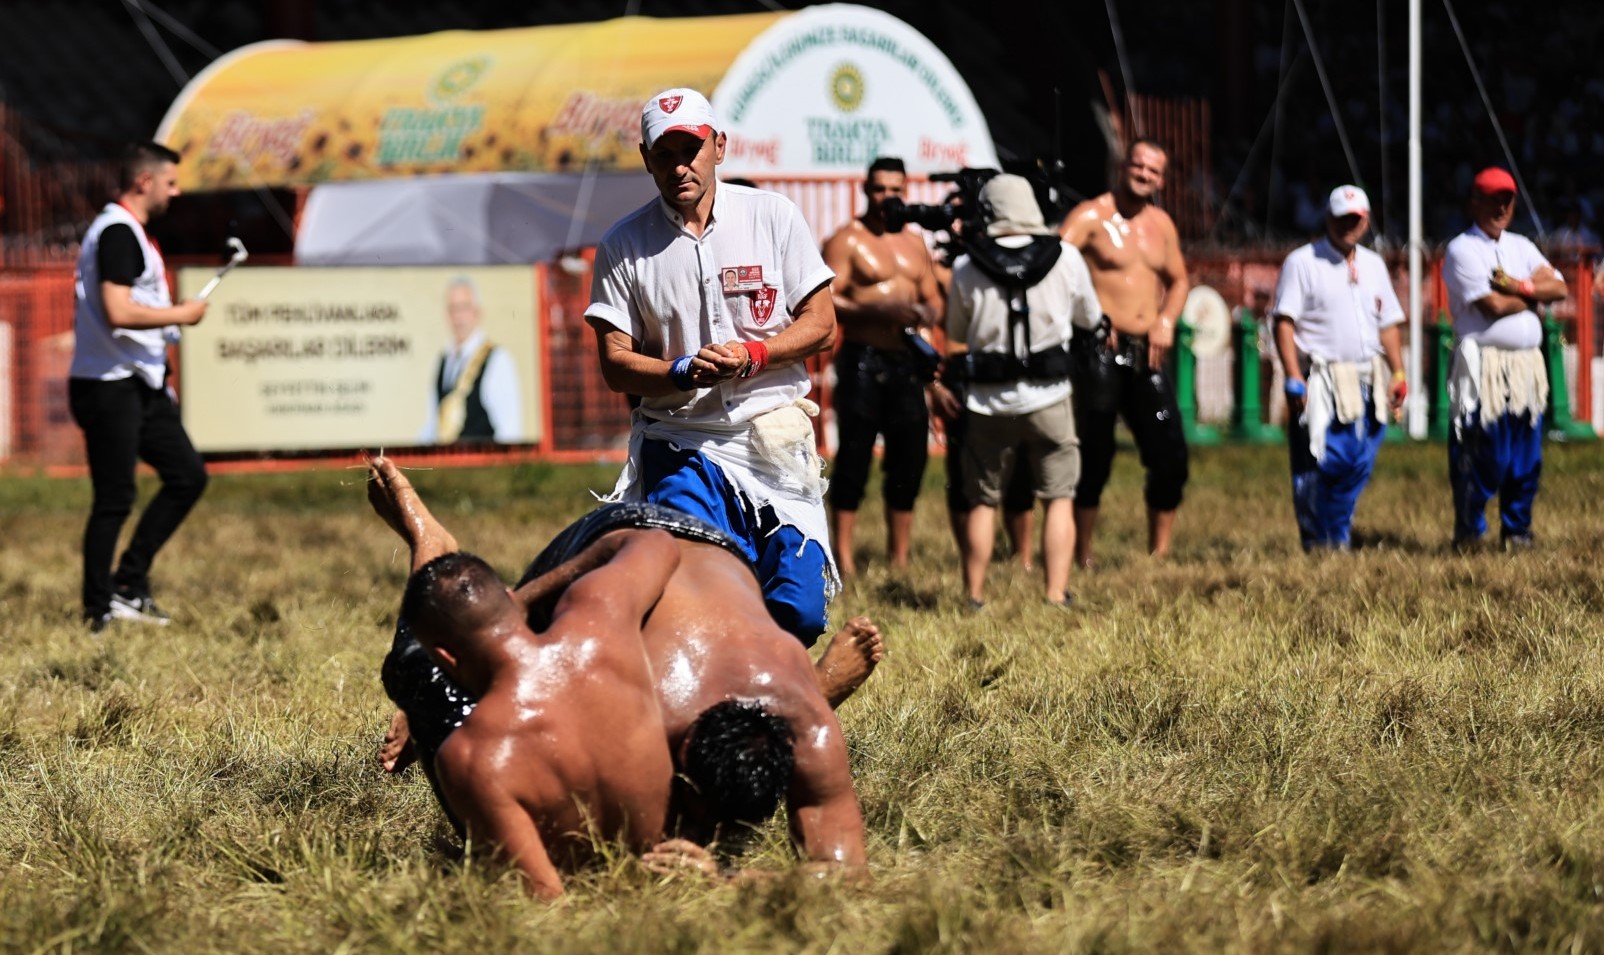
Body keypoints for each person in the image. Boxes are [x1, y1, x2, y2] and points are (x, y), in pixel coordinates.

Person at [367, 458, 878, 893]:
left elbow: (847, 874)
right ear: (677, 746)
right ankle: (430, 540)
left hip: (715, 561)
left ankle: (821, 682)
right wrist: (467, 657)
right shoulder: (630, 679)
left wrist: (727, 877)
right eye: (696, 812)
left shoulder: (810, 728)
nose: (700, 831)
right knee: (434, 694)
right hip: (616, 542)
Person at [585, 87, 839, 643]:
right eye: (665, 154)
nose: (681, 166)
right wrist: (680, 372)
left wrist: (755, 354)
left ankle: (764, 693)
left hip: (772, 436)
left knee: (800, 612)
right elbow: (615, 362)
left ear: (719, 146)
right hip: (681, 441)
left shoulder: (771, 215)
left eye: (692, 148)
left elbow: (822, 321)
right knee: (700, 598)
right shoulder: (623, 245)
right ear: (647, 159)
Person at [939, 174, 1100, 607]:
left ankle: (973, 594)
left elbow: (955, 330)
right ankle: (1055, 593)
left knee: (982, 500)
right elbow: (1089, 318)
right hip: (1050, 395)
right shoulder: (1066, 256)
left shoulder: (965, 265)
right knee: (1059, 496)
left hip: (987, 401)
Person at [68, 141, 209, 633]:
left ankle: (128, 584)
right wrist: (182, 315)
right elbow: (119, 310)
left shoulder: (131, 233)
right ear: (144, 182)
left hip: (141, 384)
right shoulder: (118, 233)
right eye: (170, 181)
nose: (177, 190)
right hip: (109, 386)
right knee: (114, 497)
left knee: (187, 475)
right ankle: (98, 609)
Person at [1059, 138, 1191, 567]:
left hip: (1145, 353)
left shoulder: (1161, 225)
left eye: (1153, 171)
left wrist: (1166, 320)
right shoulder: (1091, 216)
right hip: (1098, 350)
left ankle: (1161, 552)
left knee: (1169, 450)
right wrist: (1091, 315)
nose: (1144, 175)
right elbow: (1056, 264)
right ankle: (1082, 553)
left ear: (1161, 179)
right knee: (1095, 452)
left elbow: (1179, 280)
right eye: (1138, 166)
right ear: (1123, 166)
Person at [820, 156, 944, 576]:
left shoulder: (914, 242)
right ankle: (845, 558)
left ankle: (900, 557)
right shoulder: (847, 239)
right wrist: (877, 307)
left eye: (896, 189)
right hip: (862, 359)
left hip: (906, 360)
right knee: (854, 457)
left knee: (909, 458)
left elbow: (933, 297)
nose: (887, 197)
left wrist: (927, 313)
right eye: (880, 189)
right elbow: (825, 297)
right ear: (866, 189)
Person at [1271, 185, 1408, 551]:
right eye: (1342, 218)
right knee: (1322, 460)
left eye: (1356, 219)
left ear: (1365, 221)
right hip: (1323, 379)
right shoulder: (1303, 262)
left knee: (1360, 459)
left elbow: (1389, 322)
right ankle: (1321, 539)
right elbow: (1284, 321)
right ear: (1328, 218)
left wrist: (1398, 372)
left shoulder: (1374, 265)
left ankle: (1335, 531)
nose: (1349, 225)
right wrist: (1294, 376)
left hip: (1367, 376)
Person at [1442, 167, 1568, 550]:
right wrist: (1534, 295)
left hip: (1524, 367)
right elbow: (1493, 305)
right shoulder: (1462, 249)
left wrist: (1520, 285)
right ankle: (1471, 531)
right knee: (1484, 451)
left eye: (1507, 200)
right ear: (1474, 203)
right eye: (1493, 199)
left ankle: (1517, 530)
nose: (1501, 207)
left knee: (1526, 454)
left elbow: (1559, 287)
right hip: (1485, 365)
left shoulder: (1520, 246)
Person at [417, 276, 523, 444]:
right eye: (453, 309)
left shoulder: (498, 360)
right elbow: (431, 427)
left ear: (477, 312)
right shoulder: (443, 361)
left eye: (464, 307)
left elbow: (509, 432)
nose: (458, 317)